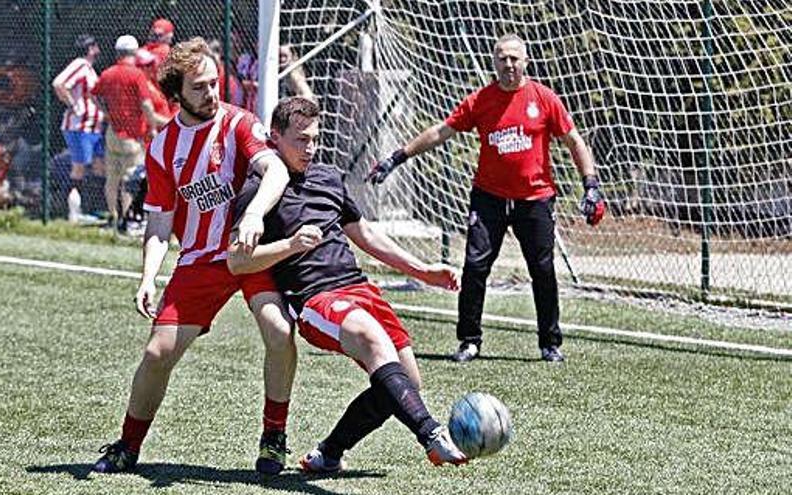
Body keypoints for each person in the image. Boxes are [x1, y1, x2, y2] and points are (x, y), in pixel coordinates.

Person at [228, 96, 468, 472]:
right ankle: (432, 434)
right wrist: (289, 246)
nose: (310, 149)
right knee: (372, 341)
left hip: (359, 289)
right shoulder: (259, 189)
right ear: (274, 138)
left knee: (405, 385)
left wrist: (422, 270)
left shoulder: (327, 177)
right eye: (300, 140)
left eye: (314, 139)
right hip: (316, 300)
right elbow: (238, 261)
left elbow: (365, 234)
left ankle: (329, 453)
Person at [93, 37, 296, 476]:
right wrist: (148, 277)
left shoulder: (241, 124)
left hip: (250, 253)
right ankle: (128, 445)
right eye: (200, 87)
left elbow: (275, 169)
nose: (212, 93)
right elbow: (160, 225)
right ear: (176, 94)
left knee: (280, 332)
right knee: (156, 354)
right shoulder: (163, 147)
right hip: (201, 261)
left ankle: (274, 437)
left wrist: (255, 214)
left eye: (214, 82)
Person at [368, 34, 606, 363]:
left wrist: (590, 184)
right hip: (489, 199)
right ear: (494, 62)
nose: (508, 64)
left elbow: (574, 141)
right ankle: (469, 341)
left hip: (535, 199)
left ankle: (550, 344)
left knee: (543, 270)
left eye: (514, 58)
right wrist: (397, 157)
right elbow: (441, 131)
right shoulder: (481, 100)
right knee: (475, 268)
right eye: (502, 58)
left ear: (526, 61)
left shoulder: (544, 98)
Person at [93, 35, 170, 230]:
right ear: (134, 53)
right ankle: (127, 221)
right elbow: (146, 106)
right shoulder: (137, 75)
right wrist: (157, 124)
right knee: (131, 180)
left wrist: (106, 113)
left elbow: (94, 96)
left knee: (112, 179)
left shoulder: (108, 73)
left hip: (113, 132)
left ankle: (112, 217)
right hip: (133, 136)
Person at [52, 34, 104, 222]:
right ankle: (75, 212)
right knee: (79, 168)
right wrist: (74, 105)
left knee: (99, 166)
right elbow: (59, 84)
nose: (98, 50)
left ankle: (93, 208)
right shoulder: (80, 65)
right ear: (89, 48)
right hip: (79, 127)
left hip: (93, 128)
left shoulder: (89, 69)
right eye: (95, 46)